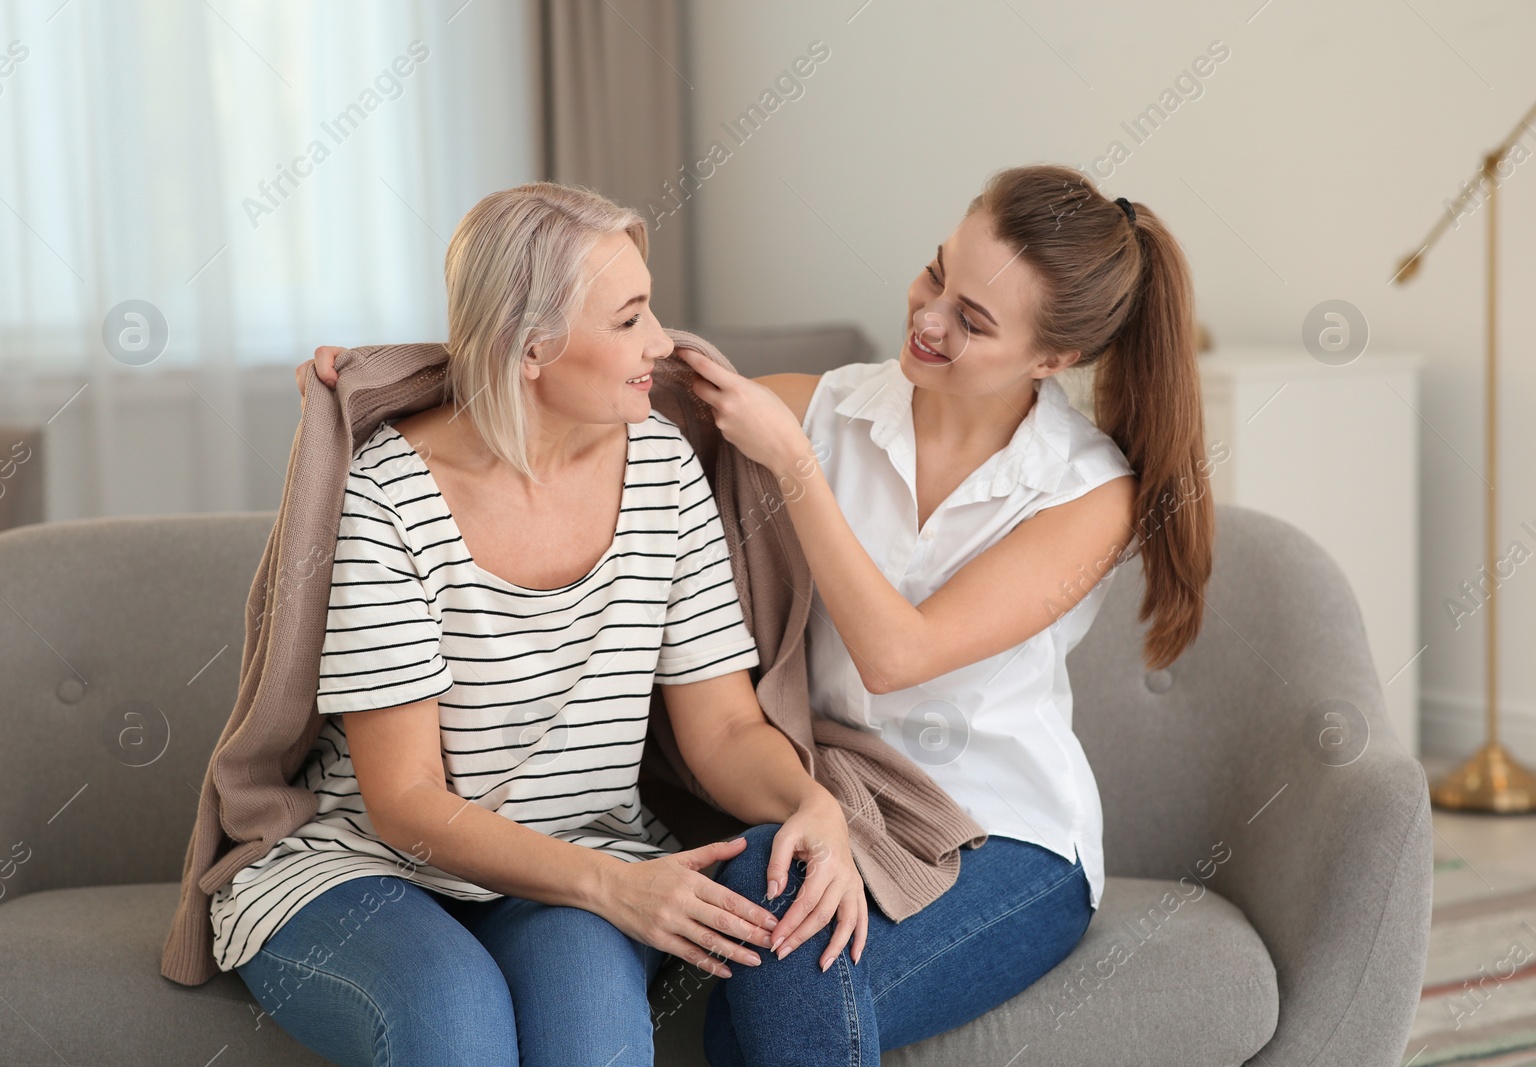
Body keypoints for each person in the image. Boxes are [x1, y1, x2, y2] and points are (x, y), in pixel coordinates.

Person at [300, 164, 1214, 1066]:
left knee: (770, 1007)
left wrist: (795, 467)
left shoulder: (1090, 491)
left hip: (1000, 826)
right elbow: (573, 371)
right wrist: (377, 379)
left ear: (1055, 360)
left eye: (973, 321)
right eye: (937, 274)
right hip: (833, 800)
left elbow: (901, 652)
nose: (930, 317)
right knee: (761, 956)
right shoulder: (817, 406)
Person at [232, 182, 866, 1067]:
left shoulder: (661, 466)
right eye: (630, 319)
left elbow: (722, 728)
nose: (663, 343)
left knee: (593, 1044)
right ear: (530, 346)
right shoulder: (389, 494)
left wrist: (816, 805)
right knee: (454, 1022)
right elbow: (405, 801)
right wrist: (614, 886)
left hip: (577, 864)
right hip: (369, 868)